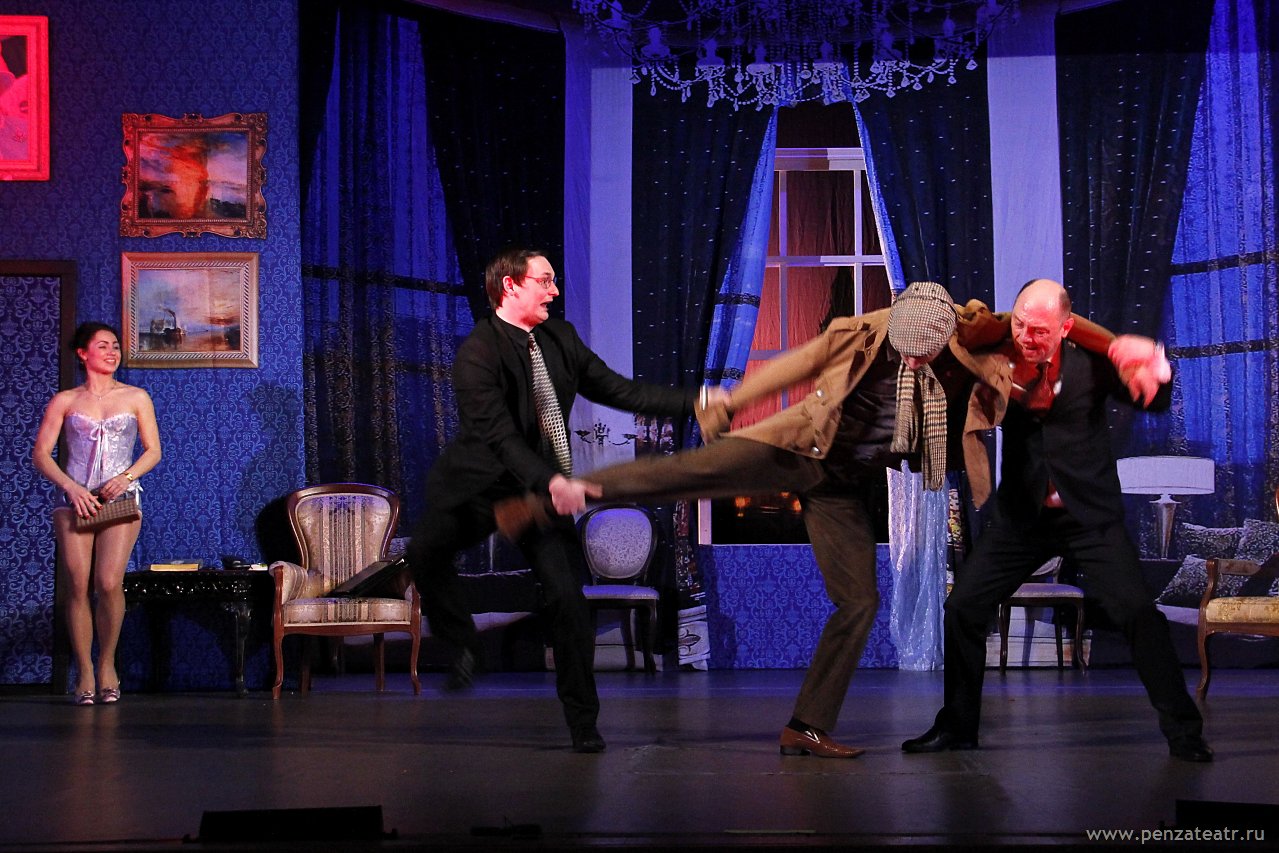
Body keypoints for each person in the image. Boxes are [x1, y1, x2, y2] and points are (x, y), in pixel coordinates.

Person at [499, 281, 1034, 758]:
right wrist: (732, 401)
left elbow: (1046, 320)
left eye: (924, 355)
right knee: (691, 471)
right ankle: (567, 493)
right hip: (797, 446)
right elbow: (796, 364)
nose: (913, 363)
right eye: (906, 353)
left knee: (860, 601)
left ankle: (806, 726)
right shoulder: (861, 333)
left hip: (841, 485)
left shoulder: (972, 337)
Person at [405, 247, 705, 754]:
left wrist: (695, 401)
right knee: (425, 552)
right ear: (510, 285)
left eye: (554, 281)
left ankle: (583, 723)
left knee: (567, 600)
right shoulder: (478, 352)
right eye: (544, 280)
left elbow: (620, 390)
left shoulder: (559, 339)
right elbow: (501, 438)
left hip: (539, 492)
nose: (555, 291)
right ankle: (464, 646)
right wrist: (552, 481)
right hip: (480, 485)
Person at [901, 278, 1212, 762]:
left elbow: (1152, 399)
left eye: (1040, 330)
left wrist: (1158, 371)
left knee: (1137, 612)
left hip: (1089, 517)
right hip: (1022, 519)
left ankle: (1184, 732)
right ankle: (957, 727)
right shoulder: (999, 359)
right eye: (1021, 325)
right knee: (962, 608)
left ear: (1066, 328)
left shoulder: (1091, 364)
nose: (1027, 337)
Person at [32, 321, 162, 705]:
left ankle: (107, 664)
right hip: (74, 500)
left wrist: (126, 477)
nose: (112, 352)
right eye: (103, 345)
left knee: (107, 582)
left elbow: (153, 450)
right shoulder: (65, 400)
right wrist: (71, 488)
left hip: (119, 500)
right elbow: (41, 454)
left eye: (115, 346)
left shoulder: (136, 396)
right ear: (83, 353)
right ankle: (84, 670)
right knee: (77, 585)